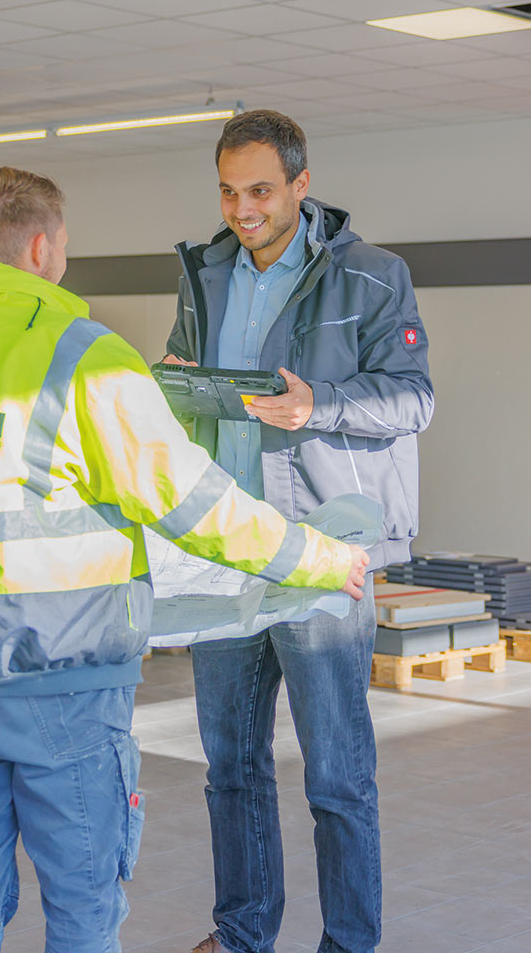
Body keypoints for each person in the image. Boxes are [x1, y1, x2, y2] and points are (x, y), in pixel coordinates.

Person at [0, 166, 369, 953]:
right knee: (82, 904)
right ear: (46, 247)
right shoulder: (87, 358)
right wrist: (318, 558)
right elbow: (196, 505)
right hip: (66, 685)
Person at [164, 110, 434, 953]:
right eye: (228, 190)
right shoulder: (205, 274)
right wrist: (174, 384)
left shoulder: (376, 275)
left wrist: (320, 405)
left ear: (300, 186)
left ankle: (349, 942)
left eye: (259, 191)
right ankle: (242, 933)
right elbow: (191, 378)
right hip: (225, 551)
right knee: (231, 771)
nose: (242, 210)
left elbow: (413, 398)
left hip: (321, 554)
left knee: (337, 777)